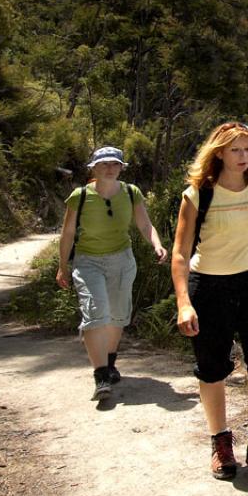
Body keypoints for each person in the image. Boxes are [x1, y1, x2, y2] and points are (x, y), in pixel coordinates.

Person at [171, 122, 248, 482]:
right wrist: (183, 302)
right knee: (212, 367)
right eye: (235, 150)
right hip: (209, 286)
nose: (243, 157)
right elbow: (179, 253)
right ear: (218, 152)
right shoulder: (197, 195)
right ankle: (220, 443)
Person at [57, 146, 168, 401]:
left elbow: (144, 223)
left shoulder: (131, 193)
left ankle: (110, 362)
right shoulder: (80, 196)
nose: (110, 168)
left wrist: (157, 244)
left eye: (115, 164)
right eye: (104, 164)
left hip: (122, 260)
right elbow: (68, 234)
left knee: (117, 314)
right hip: (88, 262)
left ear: (121, 168)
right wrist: (63, 266)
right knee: (96, 312)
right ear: (93, 168)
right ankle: (101, 377)